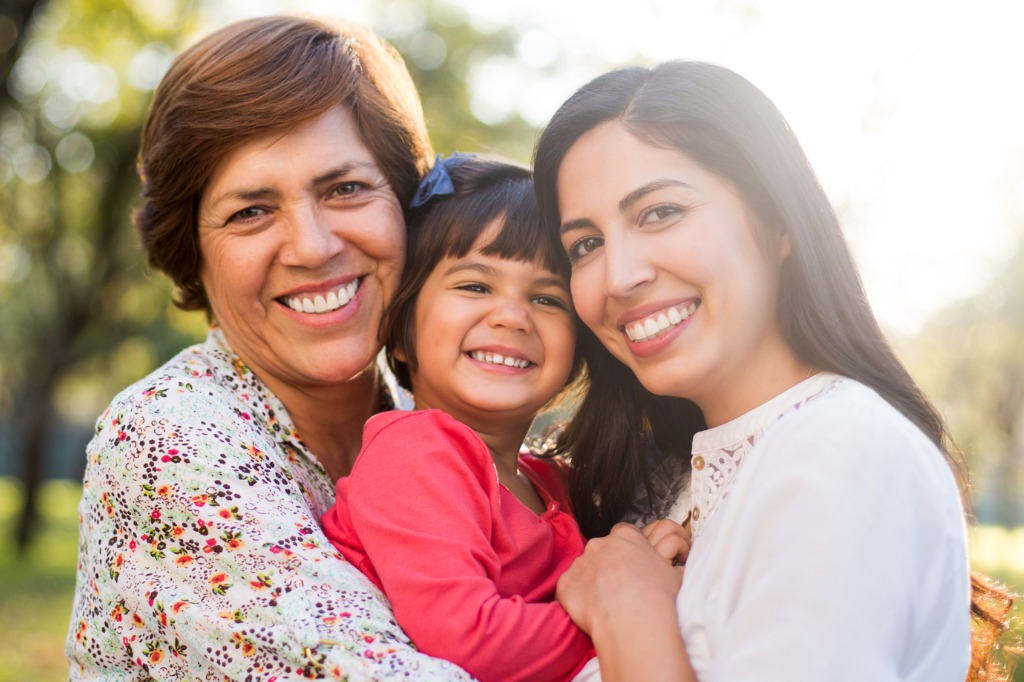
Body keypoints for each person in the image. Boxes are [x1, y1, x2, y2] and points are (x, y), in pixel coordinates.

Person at [532, 61, 1013, 681]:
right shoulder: (668, 483)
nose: (619, 276)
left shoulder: (842, 448)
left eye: (659, 212)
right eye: (586, 245)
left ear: (778, 219)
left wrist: (630, 608)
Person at [66, 16, 473, 680]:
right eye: (251, 211)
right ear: (193, 252)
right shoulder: (168, 440)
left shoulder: (437, 425)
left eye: (346, 188)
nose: (312, 246)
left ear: (409, 208)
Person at [320, 154, 598, 682]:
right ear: (401, 333)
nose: (512, 316)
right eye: (475, 286)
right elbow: (469, 640)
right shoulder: (417, 453)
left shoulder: (552, 479)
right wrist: (625, 616)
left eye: (546, 298)